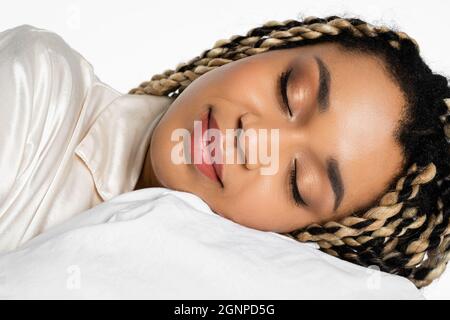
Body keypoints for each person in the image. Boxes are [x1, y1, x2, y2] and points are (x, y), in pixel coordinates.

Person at [0, 15, 448, 288]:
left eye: (298, 181)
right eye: (288, 91)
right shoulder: (39, 83)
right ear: (258, 51)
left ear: (304, 242)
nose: (254, 139)